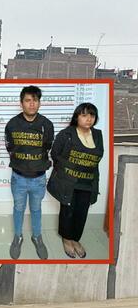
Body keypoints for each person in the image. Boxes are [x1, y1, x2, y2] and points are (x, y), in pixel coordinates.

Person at [47, 103, 104, 259]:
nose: (89, 119)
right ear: (76, 117)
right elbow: (55, 154)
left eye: (92, 115)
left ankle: (76, 239)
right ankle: (66, 238)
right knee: (67, 211)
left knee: (82, 212)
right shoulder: (67, 134)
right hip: (69, 182)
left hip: (87, 182)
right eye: (84, 115)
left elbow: (96, 160)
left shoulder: (98, 135)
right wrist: (68, 170)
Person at [5, 86, 54, 260]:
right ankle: (17, 237)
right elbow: (10, 147)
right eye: (28, 100)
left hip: (38, 178)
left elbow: (47, 147)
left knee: (36, 209)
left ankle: (37, 237)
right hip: (18, 177)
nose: (31, 104)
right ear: (21, 103)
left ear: (39, 102)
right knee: (18, 208)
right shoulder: (12, 124)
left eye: (35, 100)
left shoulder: (46, 125)